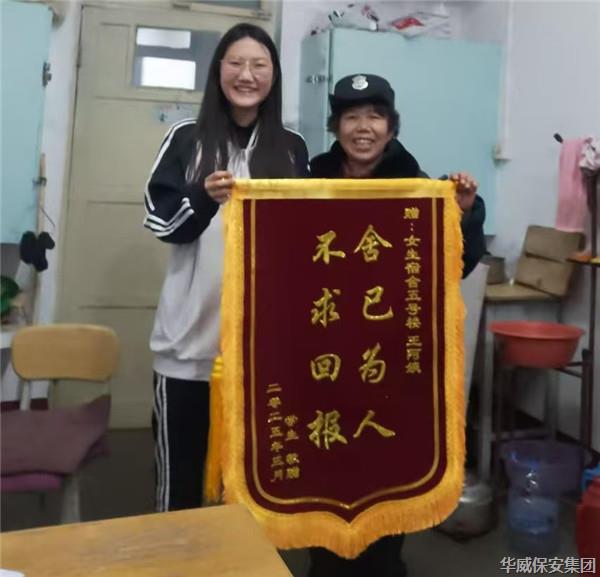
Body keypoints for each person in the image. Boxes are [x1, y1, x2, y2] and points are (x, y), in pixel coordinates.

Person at [307, 73, 486, 577]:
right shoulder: (306, 180)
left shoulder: (418, 183)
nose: (363, 128)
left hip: (389, 357)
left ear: (391, 126)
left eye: (375, 116)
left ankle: (387, 566)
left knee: (386, 473)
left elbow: (456, 265)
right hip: (324, 355)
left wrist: (464, 214)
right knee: (325, 469)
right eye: (351, 117)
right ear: (336, 126)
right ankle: (324, 564)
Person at [143, 23, 309, 512]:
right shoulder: (186, 138)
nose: (246, 75)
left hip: (264, 351)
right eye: (236, 63)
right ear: (218, 70)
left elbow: (307, 240)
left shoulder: (292, 147)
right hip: (188, 347)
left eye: (259, 65)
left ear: (274, 76)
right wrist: (201, 197)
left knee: (253, 485)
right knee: (180, 484)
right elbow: (162, 222)